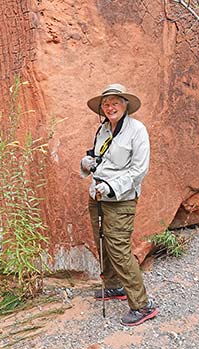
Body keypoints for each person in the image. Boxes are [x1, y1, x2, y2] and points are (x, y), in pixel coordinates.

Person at [80, 83, 158, 326]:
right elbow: (99, 158)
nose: (110, 107)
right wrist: (87, 163)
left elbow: (139, 170)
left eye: (115, 102)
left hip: (120, 199)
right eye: (106, 104)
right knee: (102, 241)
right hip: (98, 195)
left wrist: (113, 187)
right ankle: (114, 286)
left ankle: (142, 305)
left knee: (119, 248)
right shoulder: (103, 129)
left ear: (125, 105)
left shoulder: (137, 130)